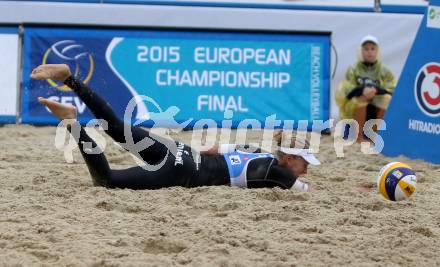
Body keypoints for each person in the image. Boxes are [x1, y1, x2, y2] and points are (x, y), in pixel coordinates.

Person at [30, 64, 320, 191]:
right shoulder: (277, 171)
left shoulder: (256, 151)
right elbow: (305, 191)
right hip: (182, 171)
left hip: (182, 152)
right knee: (107, 181)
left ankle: (70, 79)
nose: (306, 168)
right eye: (304, 162)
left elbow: (214, 149)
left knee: (117, 126)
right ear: (290, 158)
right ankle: (70, 120)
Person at [336, 35, 396, 142]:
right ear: (361, 51)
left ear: (377, 51)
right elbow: (346, 89)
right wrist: (362, 90)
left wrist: (376, 91)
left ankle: (375, 135)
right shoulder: (353, 69)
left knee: (386, 99)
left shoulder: (384, 70)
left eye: (372, 49)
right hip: (357, 108)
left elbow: (392, 87)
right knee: (361, 99)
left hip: (375, 108)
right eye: (366, 49)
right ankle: (358, 136)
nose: (369, 52)